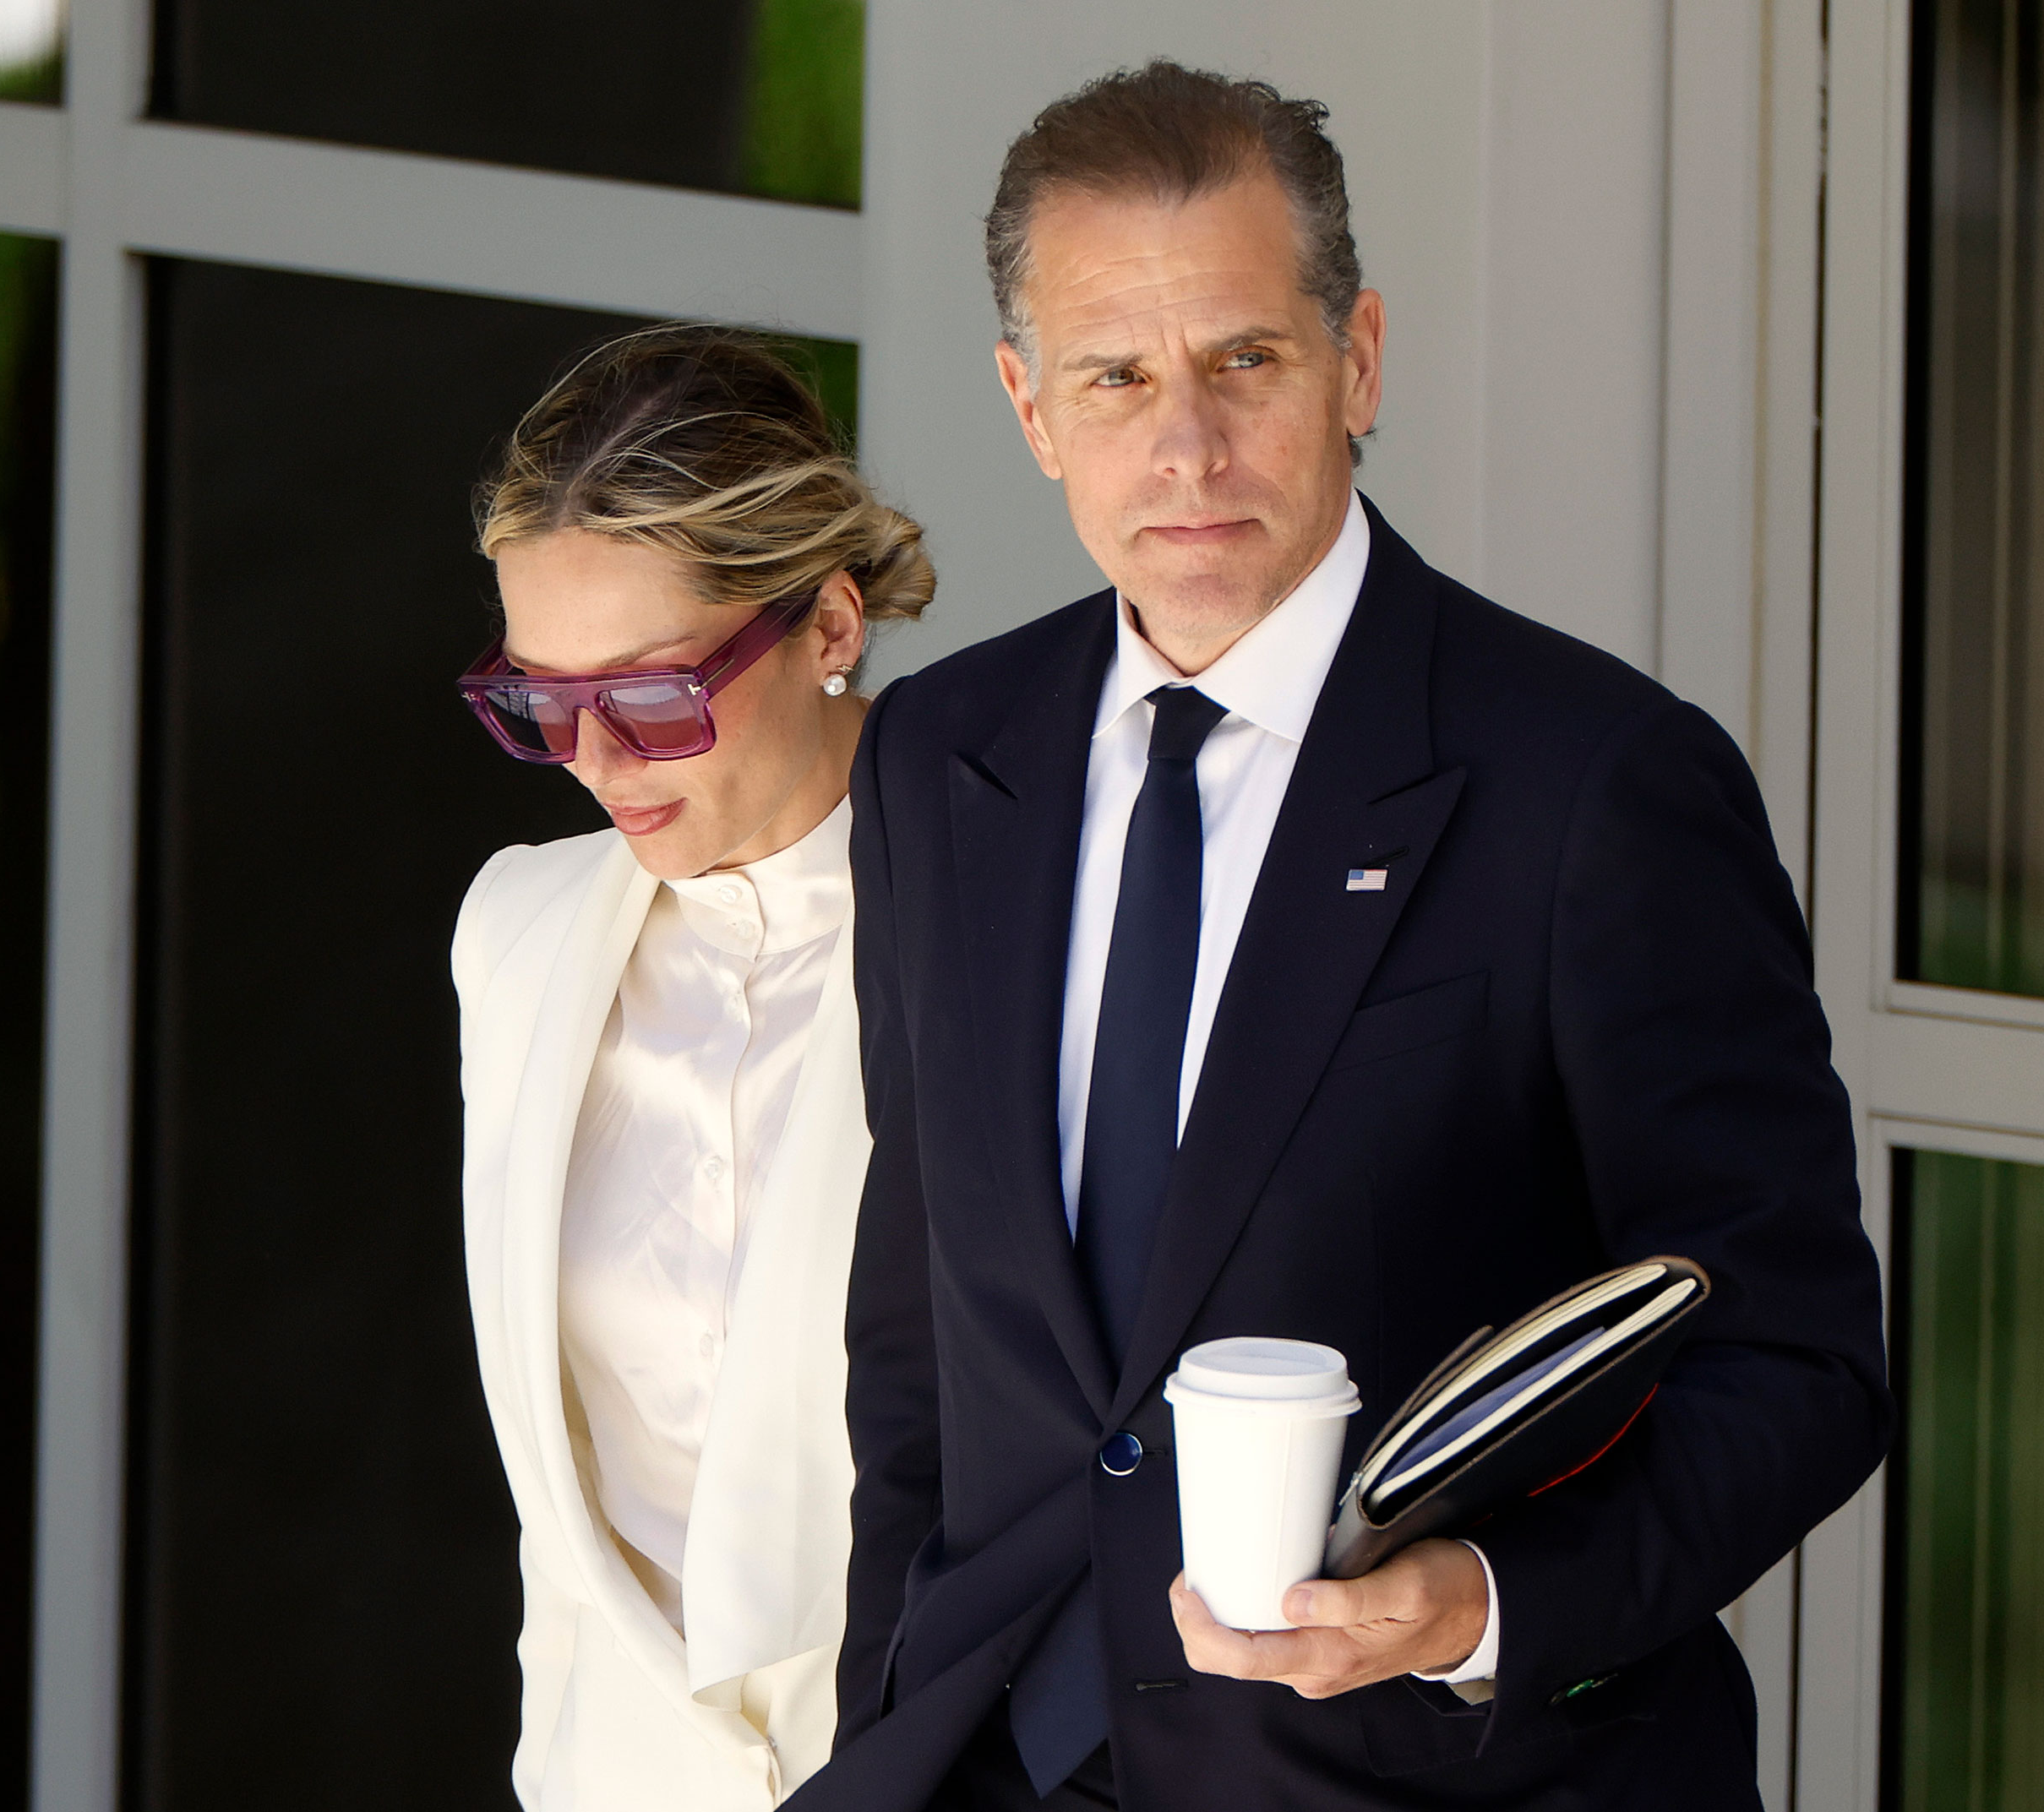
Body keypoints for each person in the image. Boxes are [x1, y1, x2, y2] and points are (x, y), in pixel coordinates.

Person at [801, 63, 1890, 1812]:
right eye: (1116, 376)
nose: (1187, 445)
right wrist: (891, 1727)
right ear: (1028, 405)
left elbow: (1801, 1360)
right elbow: (920, 1348)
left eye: (1247, 358)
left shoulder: (1598, 784)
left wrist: (1474, 1602)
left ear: (1357, 358)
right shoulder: (944, 760)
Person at [450, 326, 932, 1808]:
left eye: (654, 697)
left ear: (831, 623)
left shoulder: (1007, 926)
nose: (596, 758)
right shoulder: (517, 935)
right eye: (537, 701)